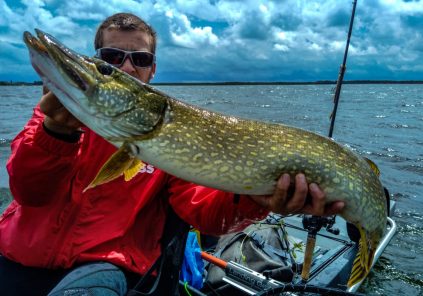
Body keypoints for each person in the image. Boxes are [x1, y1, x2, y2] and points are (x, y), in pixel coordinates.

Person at [0, 12, 344, 296]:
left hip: (108, 266)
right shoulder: (53, 116)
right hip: (17, 254)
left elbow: (206, 215)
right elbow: (29, 192)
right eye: (110, 60)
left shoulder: (166, 135)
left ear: (152, 70)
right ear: (96, 58)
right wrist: (56, 133)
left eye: (140, 59)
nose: (126, 67)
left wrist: (259, 201)